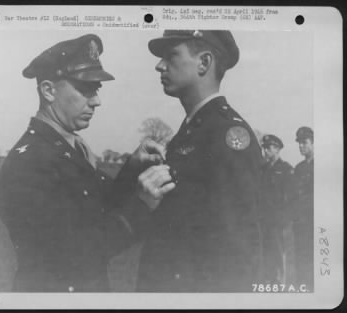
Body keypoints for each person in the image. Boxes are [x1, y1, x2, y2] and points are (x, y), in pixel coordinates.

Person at [0, 34, 174, 292]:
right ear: (49, 91)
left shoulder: (66, 149)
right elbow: (78, 253)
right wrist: (142, 205)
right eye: (85, 89)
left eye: (96, 89)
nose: (97, 100)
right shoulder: (30, 163)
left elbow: (99, 204)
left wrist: (133, 166)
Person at [134, 30, 263, 292]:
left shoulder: (226, 134)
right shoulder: (193, 129)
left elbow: (236, 252)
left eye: (171, 56)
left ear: (204, 63)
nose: (160, 65)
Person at [260, 134, 294, 283]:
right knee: (266, 253)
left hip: (278, 222)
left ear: (277, 149)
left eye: (269, 148)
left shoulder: (286, 169)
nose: (265, 151)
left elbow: (290, 198)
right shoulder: (263, 169)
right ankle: (269, 282)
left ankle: (280, 284)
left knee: (279, 253)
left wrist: (284, 220)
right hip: (264, 220)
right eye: (264, 148)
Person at [292, 126, 314, 290]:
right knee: (301, 258)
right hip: (300, 222)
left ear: (313, 143)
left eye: (304, 142)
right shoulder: (299, 168)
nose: (301, 146)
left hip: (315, 221)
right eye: (299, 143)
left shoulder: (321, 166)